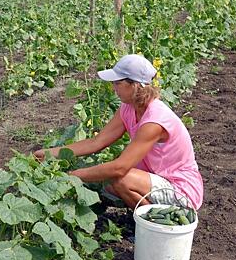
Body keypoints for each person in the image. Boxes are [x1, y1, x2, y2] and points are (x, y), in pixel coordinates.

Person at [34, 54, 203, 211]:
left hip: (181, 190)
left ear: (135, 85)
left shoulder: (155, 120)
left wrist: (72, 176)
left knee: (120, 179)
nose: (113, 87)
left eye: (117, 83)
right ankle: (147, 215)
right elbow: (97, 142)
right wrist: (48, 154)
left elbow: (120, 168)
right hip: (157, 178)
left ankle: (157, 223)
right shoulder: (128, 108)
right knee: (107, 184)